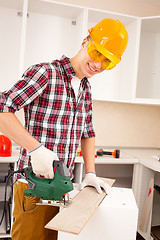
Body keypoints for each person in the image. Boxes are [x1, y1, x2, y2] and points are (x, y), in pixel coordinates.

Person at [0, 18, 128, 240]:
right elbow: (3, 109)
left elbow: (87, 132)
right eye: (98, 53)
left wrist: (90, 173)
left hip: (62, 187)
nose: (98, 65)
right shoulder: (46, 73)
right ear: (84, 42)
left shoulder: (85, 88)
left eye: (107, 61)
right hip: (35, 186)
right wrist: (35, 149)